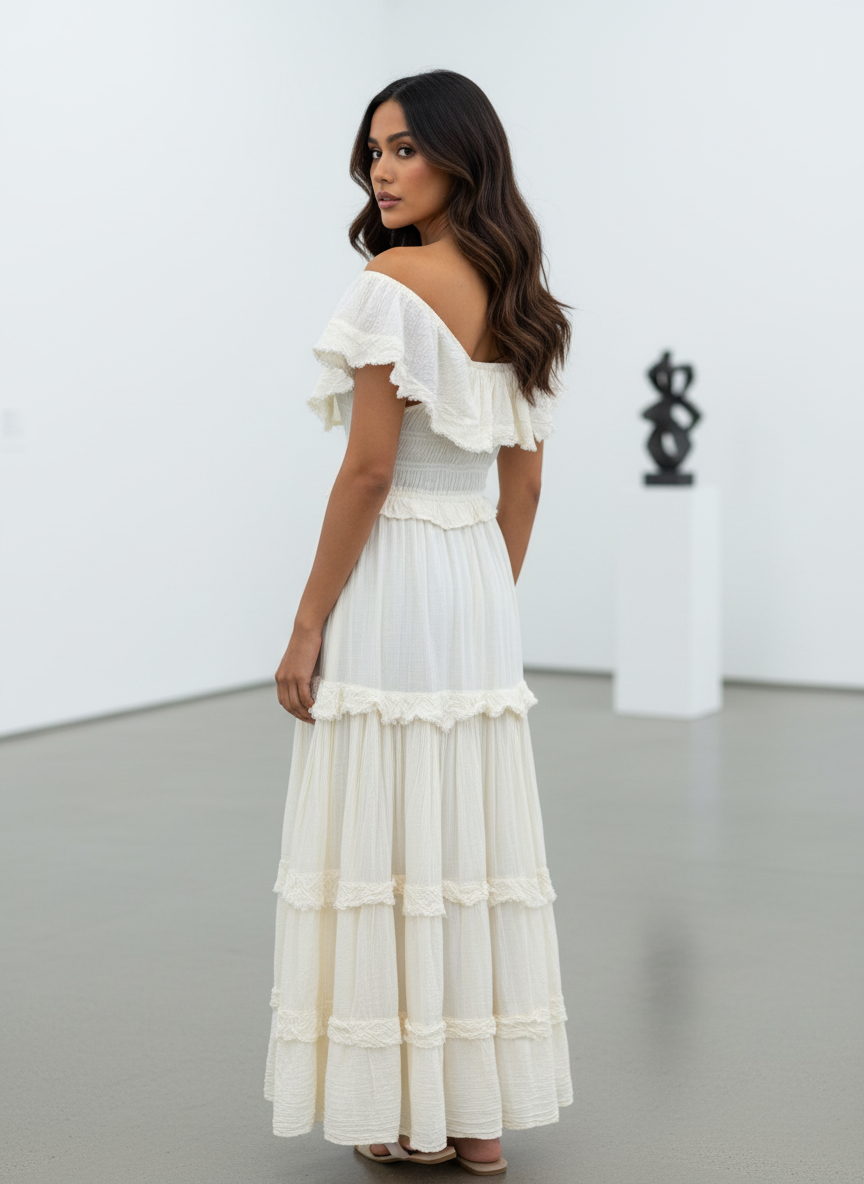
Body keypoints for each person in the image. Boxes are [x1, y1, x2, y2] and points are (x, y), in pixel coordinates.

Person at [265, 69, 573, 1175]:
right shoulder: (527, 300)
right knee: (471, 836)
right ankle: (479, 1121)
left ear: (459, 154)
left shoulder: (388, 286)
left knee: (386, 836)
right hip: (477, 580)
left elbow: (367, 472)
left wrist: (307, 623)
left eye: (403, 149)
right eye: (374, 152)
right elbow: (524, 491)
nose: (383, 171)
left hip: (395, 573)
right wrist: (485, 593)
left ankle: (401, 1109)